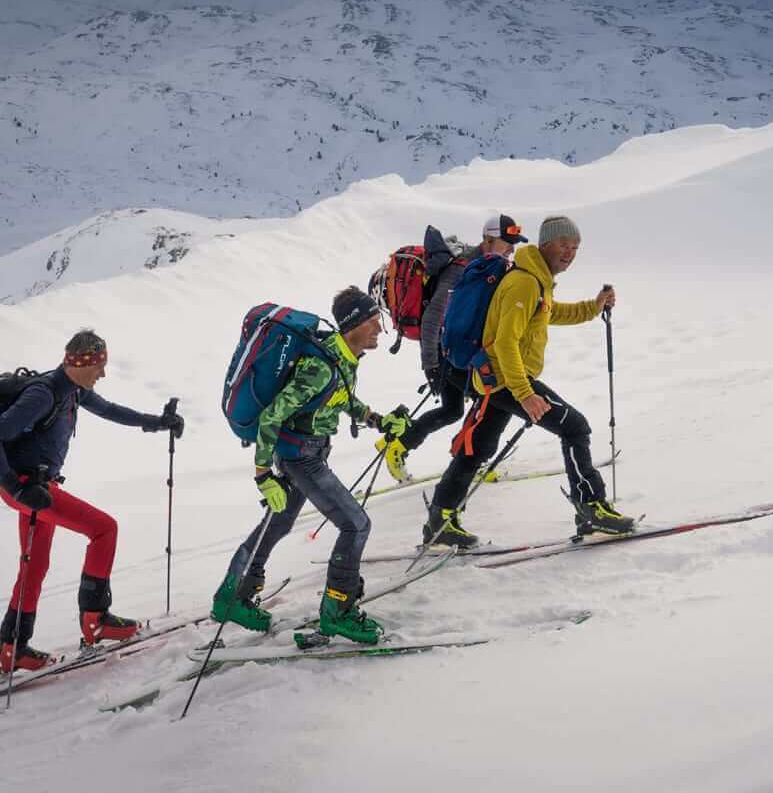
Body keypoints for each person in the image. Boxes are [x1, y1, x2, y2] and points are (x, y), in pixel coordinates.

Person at [211, 287, 411, 644]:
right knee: (356, 525)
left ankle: (233, 596)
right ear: (353, 324)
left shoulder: (340, 357)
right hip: (301, 456)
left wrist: (377, 420)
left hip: (305, 453)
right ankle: (338, 611)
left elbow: (339, 398)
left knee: (280, 521)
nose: (379, 328)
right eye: (372, 320)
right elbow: (272, 417)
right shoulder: (321, 366)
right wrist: (263, 476)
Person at [0, 330, 185, 673]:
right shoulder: (43, 394)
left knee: (35, 564)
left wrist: (158, 423)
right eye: (99, 366)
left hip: (37, 488)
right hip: (28, 488)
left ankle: (13, 648)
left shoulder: (72, 389)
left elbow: (111, 410)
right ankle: (96, 619)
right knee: (104, 529)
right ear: (81, 363)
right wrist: (16, 488)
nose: (102, 373)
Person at [424, 215, 635, 549]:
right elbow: (505, 343)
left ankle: (440, 521)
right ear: (545, 244)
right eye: (564, 245)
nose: (570, 253)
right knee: (574, 427)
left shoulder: (536, 281)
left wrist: (593, 307)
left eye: (575, 247)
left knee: (478, 447)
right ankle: (591, 507)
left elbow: (550, 312)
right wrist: (524, 394)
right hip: (506, 379)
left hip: (497, 379)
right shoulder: (524, 282)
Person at [378, 214, 529, 483]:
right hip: (445, 352)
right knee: (488, 399)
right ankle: (468, 458)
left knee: (454, 409)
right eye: (507, 242)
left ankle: (400, 446)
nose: (511, 249)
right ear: (488, 240)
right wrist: (431, 365)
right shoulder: (462, 269)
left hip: (456, 350)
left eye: (514, 243)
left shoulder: (489, 267)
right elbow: (432, 318)